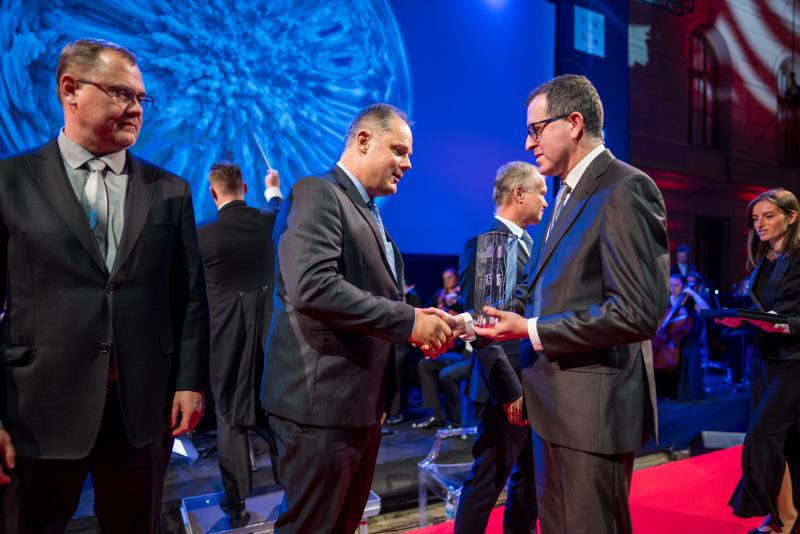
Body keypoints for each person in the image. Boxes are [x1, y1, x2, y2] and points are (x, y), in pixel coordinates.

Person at [0, 38, 209, 532]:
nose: (136, 108)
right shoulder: (9, 182)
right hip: (38, 409)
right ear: (70, 89)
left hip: (142, 410)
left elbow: (188, 297)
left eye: (141, 97)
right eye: (121, 93)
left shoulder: (170, 189)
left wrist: (188, 382)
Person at [470, 74, 669, 534]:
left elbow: (638, 312)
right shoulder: (566, 194)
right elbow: (541, 291)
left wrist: (531, 329)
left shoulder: (624, 188)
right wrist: (469, 321)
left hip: (592, 416)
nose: (528, 142)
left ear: (574, 123)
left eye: (536, 129)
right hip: (555, 409)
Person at [262, 103, 454, 533]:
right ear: (363, 140)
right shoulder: (317, 192)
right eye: (399, 150)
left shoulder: (366, 210)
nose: (408, 164)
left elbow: (370, 298)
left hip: (355, 409)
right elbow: (313, 286)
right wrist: (408, 322)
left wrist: (419, 318)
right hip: (320, 410)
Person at [454, 161, 547, 534]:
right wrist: (510, 391)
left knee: (530, 483)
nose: (546, 201)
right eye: (541, 192)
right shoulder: (488, 243)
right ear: (519, 194)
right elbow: (483, 328)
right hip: (503, 390)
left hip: (535, 383)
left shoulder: (532, 245)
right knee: (487, 483)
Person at [197, 161, 277, 521]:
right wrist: (273, 188)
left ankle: (237, 502)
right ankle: (293, 490)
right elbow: (281, 209)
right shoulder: (270, 221)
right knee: (276, 415)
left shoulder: (202, 234)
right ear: (245, 189)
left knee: (229, 417)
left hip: (226, 339)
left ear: (213, 193)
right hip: (269, 338)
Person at [723, 188, 800, 534]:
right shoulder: (764, 260)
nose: (760, 224)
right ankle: (782, 516)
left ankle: (787, 517)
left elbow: (789, 316)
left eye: (768, 216)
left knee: (761, 437)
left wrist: (787, 324)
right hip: (765, 360)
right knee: (787, 442)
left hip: (794, 362)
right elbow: (760, 310)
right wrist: (739, 320)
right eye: (755, 218)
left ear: (791, 217)